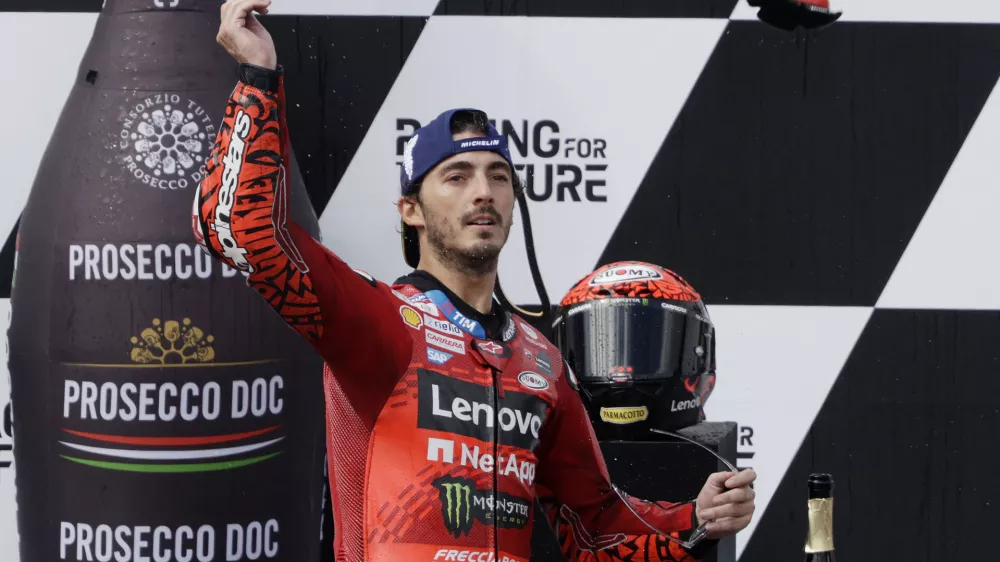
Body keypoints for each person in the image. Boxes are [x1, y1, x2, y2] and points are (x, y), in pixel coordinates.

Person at [194, 1, 757, 560]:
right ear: (410, 209)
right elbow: (241, 231)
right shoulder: (380, 321)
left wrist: (693, 518)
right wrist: (258, 78)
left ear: (514, 200)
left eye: (498, 176)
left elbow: (594, 525)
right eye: (456, 177)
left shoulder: (540, 360)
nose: (483, 191)